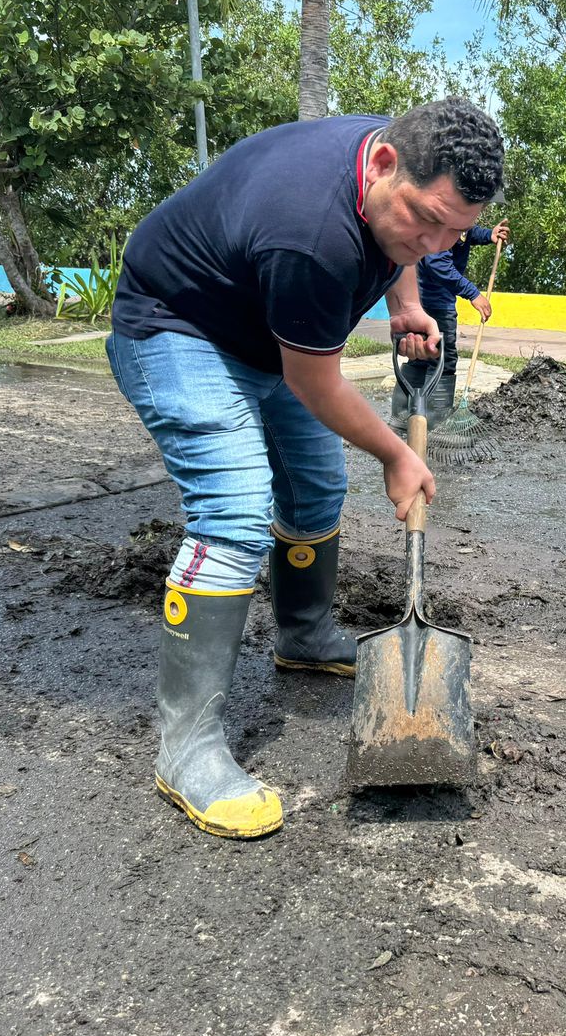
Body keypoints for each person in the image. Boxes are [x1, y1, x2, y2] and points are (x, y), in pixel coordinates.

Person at [107, 98, 505, 840]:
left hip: (262, 332)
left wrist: (406, 301)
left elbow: (400, 250)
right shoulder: (311, 233)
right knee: (233, 511)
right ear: (384, 165)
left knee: (318, 486)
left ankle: (304, 633)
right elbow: (315, 382)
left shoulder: (393, 166)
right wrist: (396, 452)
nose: (437, 240)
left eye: (455, 229)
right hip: (176, 328)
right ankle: (186, 748)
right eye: (428, 219)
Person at [392, 217, 510, 429]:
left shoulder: (457, 218)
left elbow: (466, 234)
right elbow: (437, 264)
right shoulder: (443, 224)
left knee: (420, 356)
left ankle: (404, 417)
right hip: (434, 303)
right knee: (442, 358)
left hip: (429, 299)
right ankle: (436, 421)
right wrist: (473, 293)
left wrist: (488, 236)